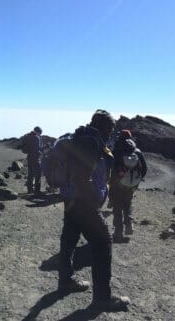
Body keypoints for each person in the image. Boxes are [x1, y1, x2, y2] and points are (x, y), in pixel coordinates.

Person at [54, 110, 129, 311]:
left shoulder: (81, 137)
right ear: (104, 127)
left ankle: (65, 281)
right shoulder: (91, 141)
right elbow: (82, 175)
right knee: (103, 243)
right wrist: (91, 200)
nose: (111, 133)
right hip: (82, 202)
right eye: (111, 128)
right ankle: (103, 299)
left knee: (69, 239)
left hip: (70, 198)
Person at [107, 131, 147, 243]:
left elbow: (111, 167)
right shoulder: (137, 151)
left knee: (117, 208)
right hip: (131, 185)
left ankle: (118, 232)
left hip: (117, 184)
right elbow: (144, 169)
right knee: (128, 204)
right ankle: (129, 224)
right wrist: (136, 181)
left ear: (120, 137)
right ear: (130, 138)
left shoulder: (116, 150)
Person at [21, 127, 46, 195]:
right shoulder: (36, 138)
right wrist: (42, 152)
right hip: (35, 158)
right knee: (38, 174)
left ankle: (30, 189)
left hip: (29, 157)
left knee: (30, 174)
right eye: (40, 132)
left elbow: (32, 148)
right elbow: (36, 150)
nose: (40, 134)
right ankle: (37, 191)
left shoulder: (28, 136)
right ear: (38, 132)